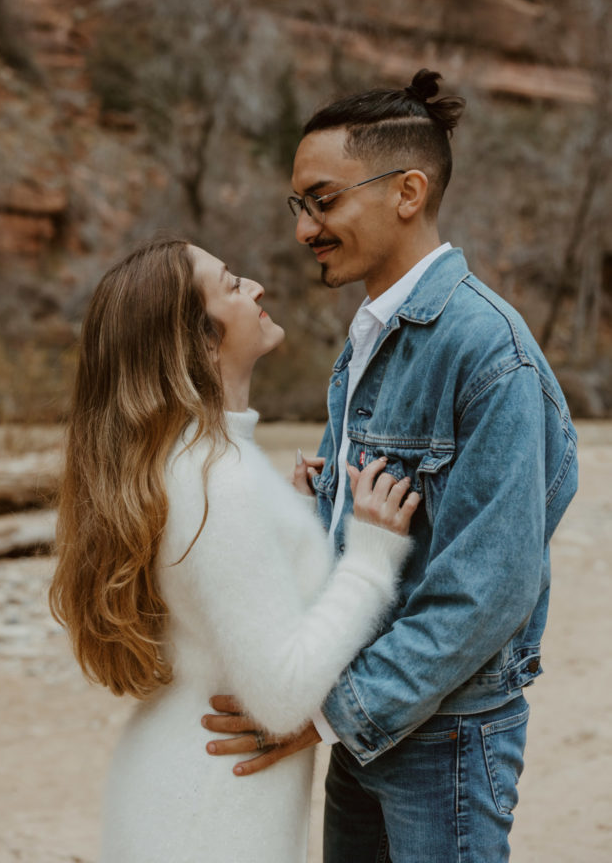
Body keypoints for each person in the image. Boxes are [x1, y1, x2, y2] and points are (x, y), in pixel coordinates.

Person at [201, 69, 579, 862]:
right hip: (365, 725)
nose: (305, 227)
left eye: (323, 199)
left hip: (440, 737)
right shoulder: (372, 337)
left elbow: (490, 585)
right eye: (299, 205)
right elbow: (391, 537)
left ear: (407, 191)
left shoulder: (488, 353)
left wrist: (329, 714)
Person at [48, 235, 420, 863]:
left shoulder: (194, 463)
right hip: (210, 815)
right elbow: (279, 698)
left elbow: (222, 607)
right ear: (198, 339)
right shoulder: (219, 479)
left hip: (184, 788)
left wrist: (294, 518)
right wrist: (371, 556)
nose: (256, 289)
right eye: (231, 284)